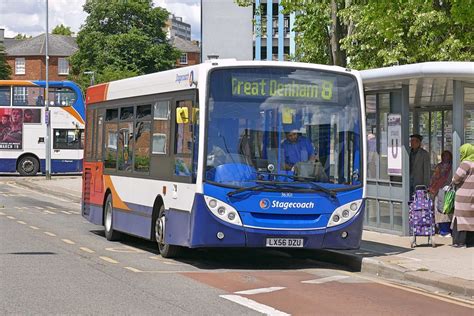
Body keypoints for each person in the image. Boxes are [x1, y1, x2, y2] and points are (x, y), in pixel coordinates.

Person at [450, 143, 474, 248]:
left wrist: (453, 182)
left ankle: (460, 242)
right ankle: (470, 241)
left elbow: (456, 178)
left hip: (463, 196)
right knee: (471, 217)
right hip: (472, 194)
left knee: (460, 217)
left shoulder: (465, 163)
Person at [429, 150, 453, 237]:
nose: (446, 158)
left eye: (447, 156)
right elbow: (434, 178)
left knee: (444, 211)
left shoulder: (450, 166)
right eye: (444, 156)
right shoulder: (442, 166)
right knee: (443, 211)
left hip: (445, 191)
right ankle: (444, 230)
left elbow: (434, 179)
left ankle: (444, 230)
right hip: (444, 191)